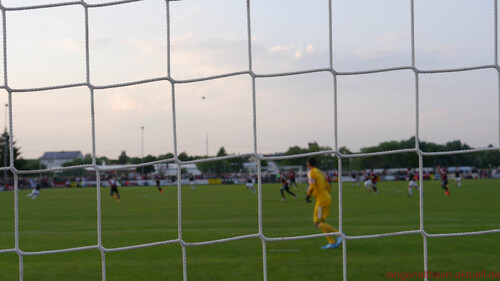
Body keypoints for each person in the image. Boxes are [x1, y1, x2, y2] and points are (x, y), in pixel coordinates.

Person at [305, 157, 342, 249]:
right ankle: (332, 242)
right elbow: (328, 187)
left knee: (317, 223)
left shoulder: (311, 172)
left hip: (321, 201)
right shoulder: (320, 172)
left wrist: (308, 195)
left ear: (308, 164)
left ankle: (339, 234)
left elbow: (312, 185)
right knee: (322, 222)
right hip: (326, 198)